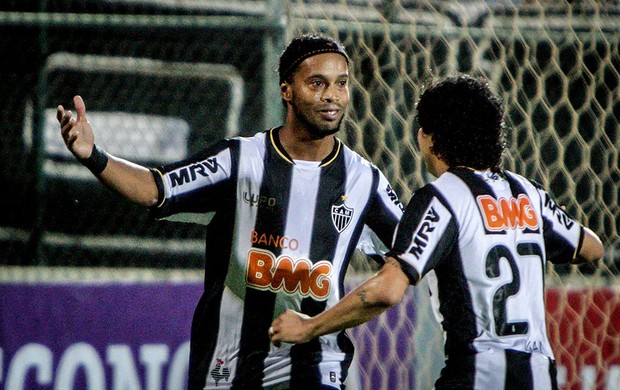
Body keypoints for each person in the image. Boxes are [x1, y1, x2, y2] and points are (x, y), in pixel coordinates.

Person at [56, 33, 404, 389]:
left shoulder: (364, 181)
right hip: (229, 360)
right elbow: (154, 188)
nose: (332, 96)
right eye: (317, 83)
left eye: (340, 84)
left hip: (315, 359)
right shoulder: (239, 161)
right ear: (286, 90)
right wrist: (92, 155)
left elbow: (410, 256)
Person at [269, 74, 604, 389]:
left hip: (479, 374)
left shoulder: (442, 198)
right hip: (540, 376)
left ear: (427, 138)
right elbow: (591, 248)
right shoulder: (528, 194)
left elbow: (386, 291)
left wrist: (310, 327)